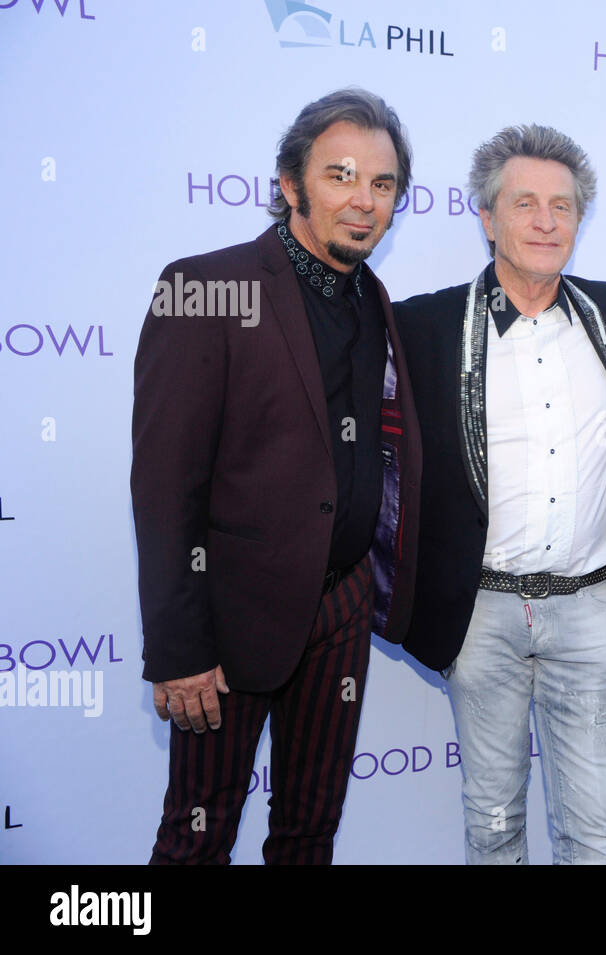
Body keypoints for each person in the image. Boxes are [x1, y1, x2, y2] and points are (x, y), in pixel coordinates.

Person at [132, 88, 422, 864]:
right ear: (291, 183)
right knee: (197, 836)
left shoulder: (372, 298)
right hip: (231, 619)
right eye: (340, 175)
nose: (364, 201)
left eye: (383, 184)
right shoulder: (206, 289)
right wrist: (179, 646)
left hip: (342, 606)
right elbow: (164, 489)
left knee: (307, 834)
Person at [394, 124, 606, 864]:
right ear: (488, 219)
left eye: (563, 206)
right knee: (493, 826)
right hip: (480, 612)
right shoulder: (425, 324)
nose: (547, 221)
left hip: (586, 610)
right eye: (526, 204)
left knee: (594, 833)